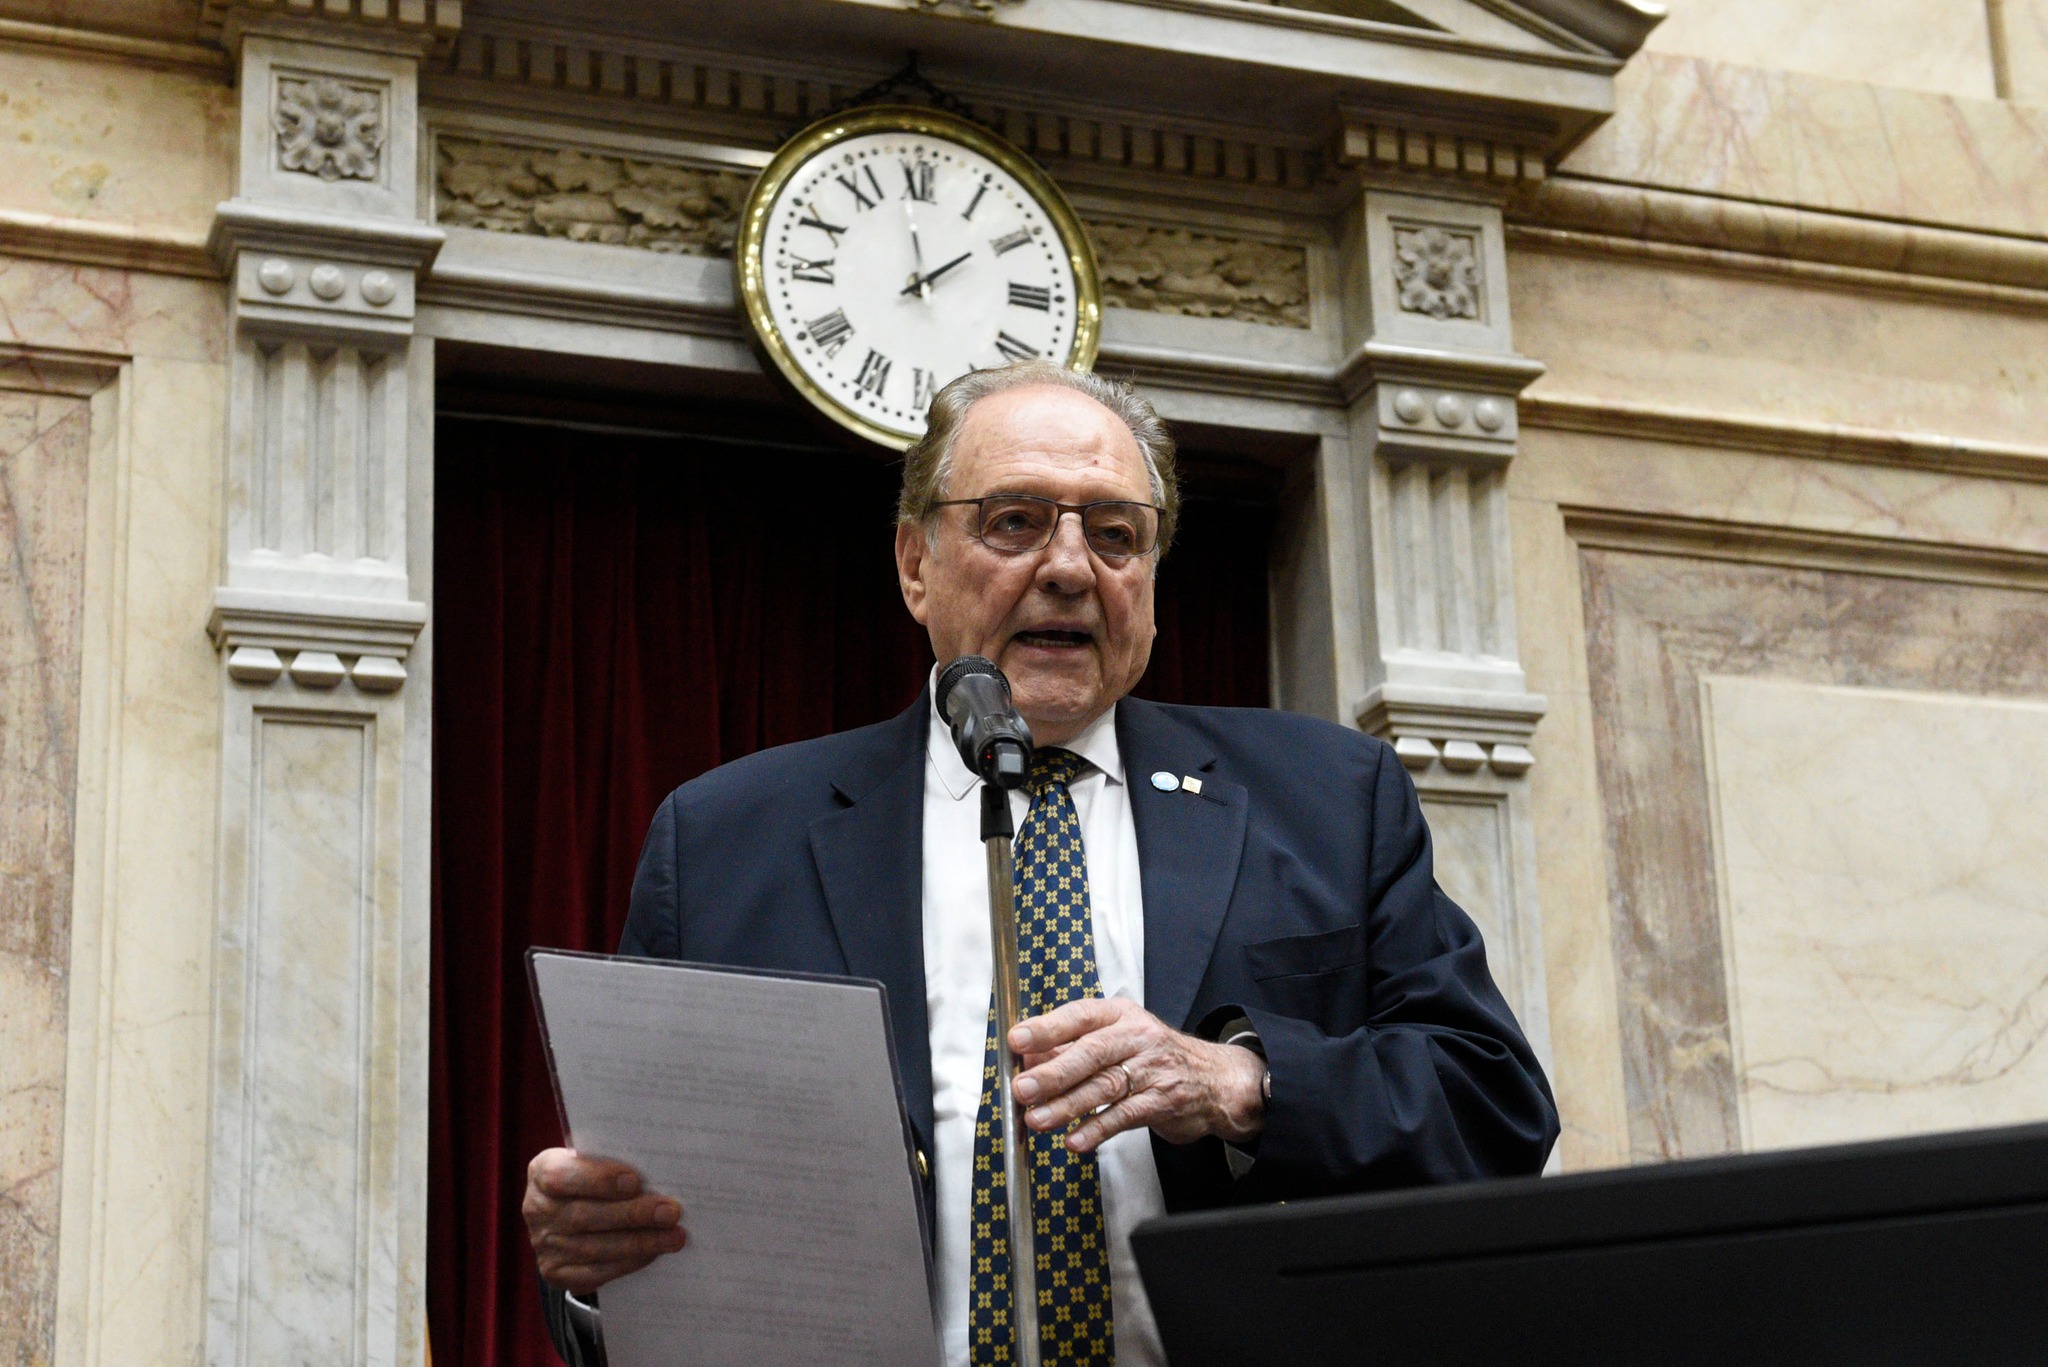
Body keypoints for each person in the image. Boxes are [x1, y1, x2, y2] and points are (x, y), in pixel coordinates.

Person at [523, 361, 1558, 1366]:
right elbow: (641, 1217)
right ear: (914, 564)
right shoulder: (726, 840)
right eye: (1014, 521)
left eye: (1115, 534)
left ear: (1150, 581)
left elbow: (1494, 1104)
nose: (1068, 568)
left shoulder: (1328, 796)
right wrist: (592, 1268)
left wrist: (1244, 1081)